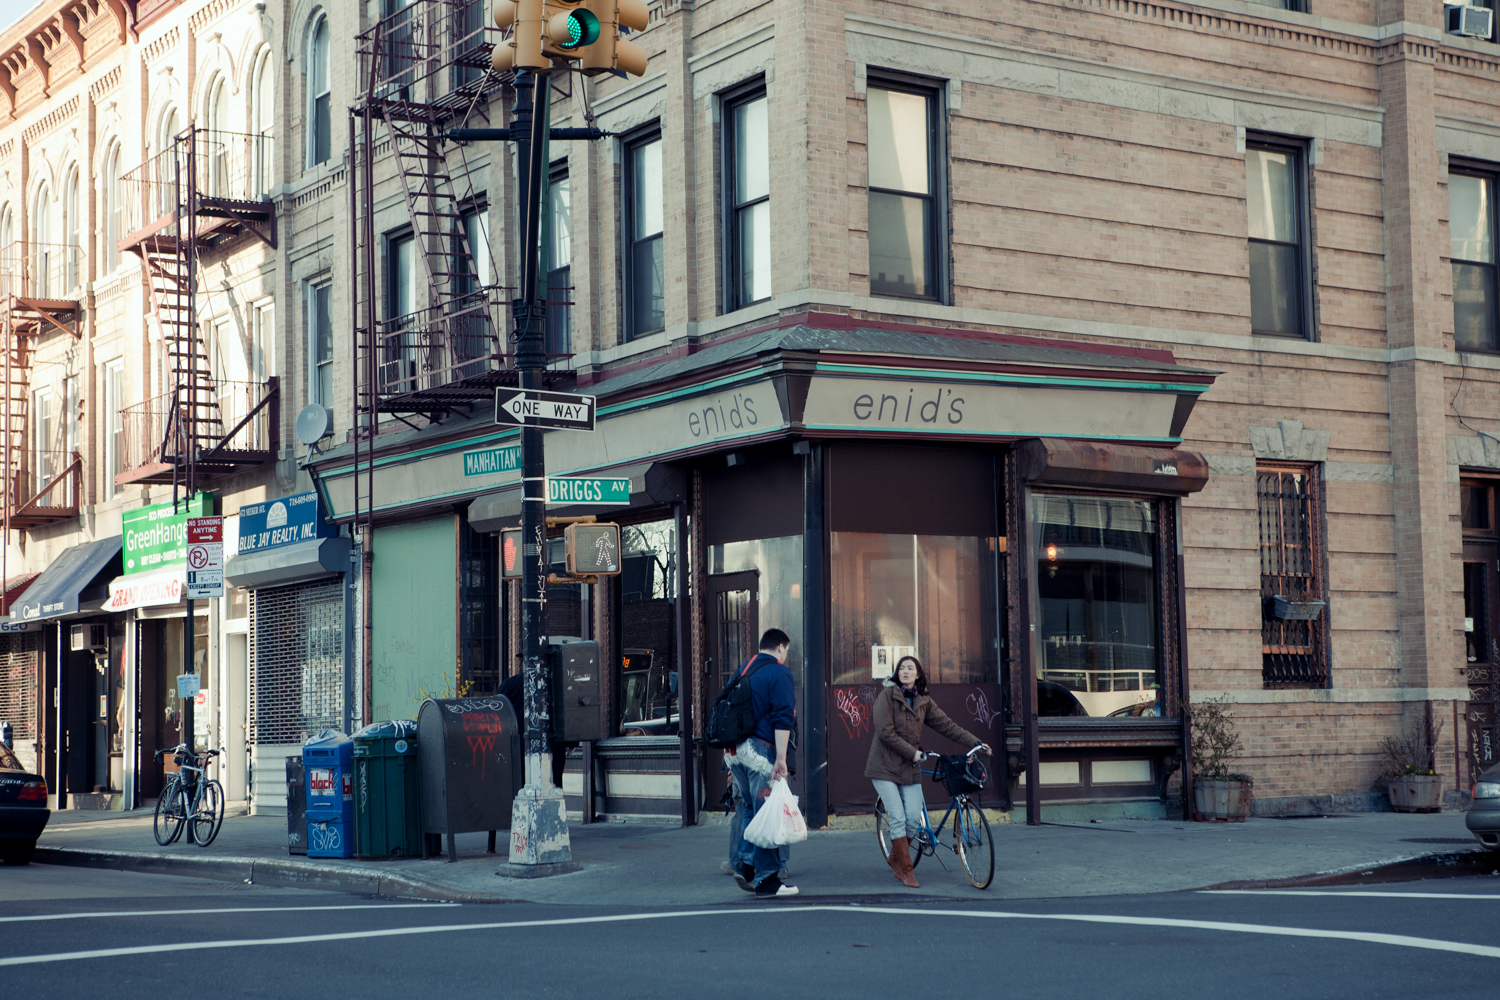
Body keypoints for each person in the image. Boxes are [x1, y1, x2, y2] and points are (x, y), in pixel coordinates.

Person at [865, 655, 990, 888]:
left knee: (913, 819)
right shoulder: (887, 696)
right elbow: (885, 732)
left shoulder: (923, 701)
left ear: (918, 674)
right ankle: (907, 871)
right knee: (898, 817)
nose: (905, 671)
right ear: (897, 673)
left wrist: (976, 742)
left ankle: (895, 858)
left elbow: (947, 725)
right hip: (884, 766)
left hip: (909, 767)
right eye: (901, 668)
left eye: (910, 668)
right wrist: (912, 753)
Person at [726, 627, 799, 898]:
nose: (786, 656)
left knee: (750, 809)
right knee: (767, 812)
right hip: (760, 751)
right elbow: (783, 718)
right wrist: (781, 759)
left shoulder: (744, 669)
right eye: (787, 651)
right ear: (780, 647)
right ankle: (767, 881)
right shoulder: (779, 672)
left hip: (734, 752)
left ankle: (746, 863)